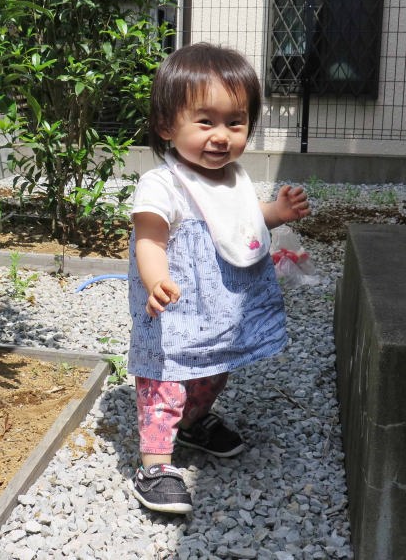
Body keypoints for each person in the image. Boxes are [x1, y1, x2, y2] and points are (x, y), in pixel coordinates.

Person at [127, 42, 311, 514]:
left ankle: (193, 423)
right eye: (205, 121)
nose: (221, 136)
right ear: (167, 126)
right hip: (176, 306)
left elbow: (240, 221)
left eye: (235, 122)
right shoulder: (162, 184)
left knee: (214, 369)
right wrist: (156, 281)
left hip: (221, 310)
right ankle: (155, 463)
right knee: (166, 377)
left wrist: (276, 212)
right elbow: (149, 239)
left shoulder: (234, 178)